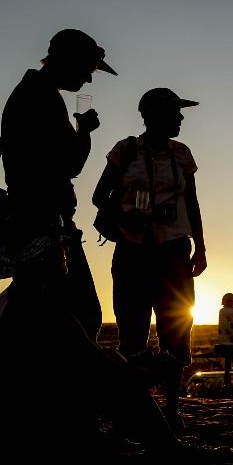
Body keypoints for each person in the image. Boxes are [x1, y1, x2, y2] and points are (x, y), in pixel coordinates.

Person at [0, 30, 191, 460]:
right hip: (44, 228)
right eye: (88, 68)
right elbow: (68, 165)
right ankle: (106, 427)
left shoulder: (32, 94)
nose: (89, 79)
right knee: (78, 321)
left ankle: (67, 421)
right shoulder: (43, 98)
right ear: (67, 61)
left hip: (38, 225)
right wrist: (84, 132)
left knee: (63, 321)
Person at [93, 87, 207, 432]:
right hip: (133, 251)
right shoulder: (125, 151)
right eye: (175, 112)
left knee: (176, 333)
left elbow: (193, 203)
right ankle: (132, 413)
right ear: (153, 117)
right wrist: (126, 217)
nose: (181, 118)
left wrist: (200, 248)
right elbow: (99, 196)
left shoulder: (183, 154)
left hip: (174, 251)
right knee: (132, 336)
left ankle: (172, 411)